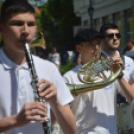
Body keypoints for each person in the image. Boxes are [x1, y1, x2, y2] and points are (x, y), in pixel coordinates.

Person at [0, 0, 77, 134]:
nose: (25, 30)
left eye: (30, 24)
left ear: (36, 29)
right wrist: (16, 120)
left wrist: (55, 102)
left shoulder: (49, 68)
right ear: (2, 29)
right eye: (17, 24)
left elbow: (71, 130)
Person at [63, 28, 134, 134]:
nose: (96, 48)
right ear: (78, 48)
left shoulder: (110, 72)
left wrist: (119, 75)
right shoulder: (69, 77)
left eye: (98, 44)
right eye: (90, 44)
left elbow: (132, 98)